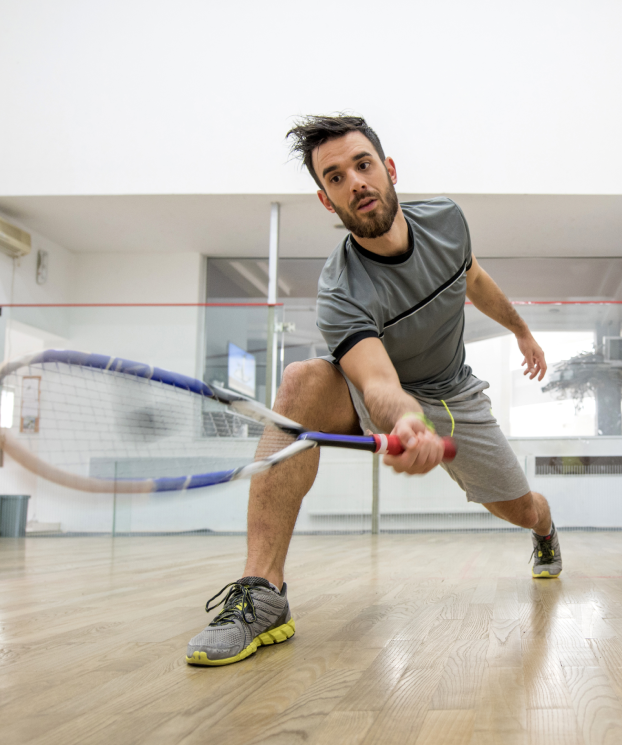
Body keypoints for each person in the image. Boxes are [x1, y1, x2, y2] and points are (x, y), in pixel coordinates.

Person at [185, 115, 563, 666]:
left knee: (521, 508)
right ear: (326, 200)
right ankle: (263, 590)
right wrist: (408, 419)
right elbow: (377, 380)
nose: (355, 182)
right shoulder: (340, 290)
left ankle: (547, 531)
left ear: (387, 169)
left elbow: (475, 281)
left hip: (455, 394)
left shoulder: (447, 220)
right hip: (385, 392)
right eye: (335, 177)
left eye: (362, 165)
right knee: (303, 381)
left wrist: (522, 331)